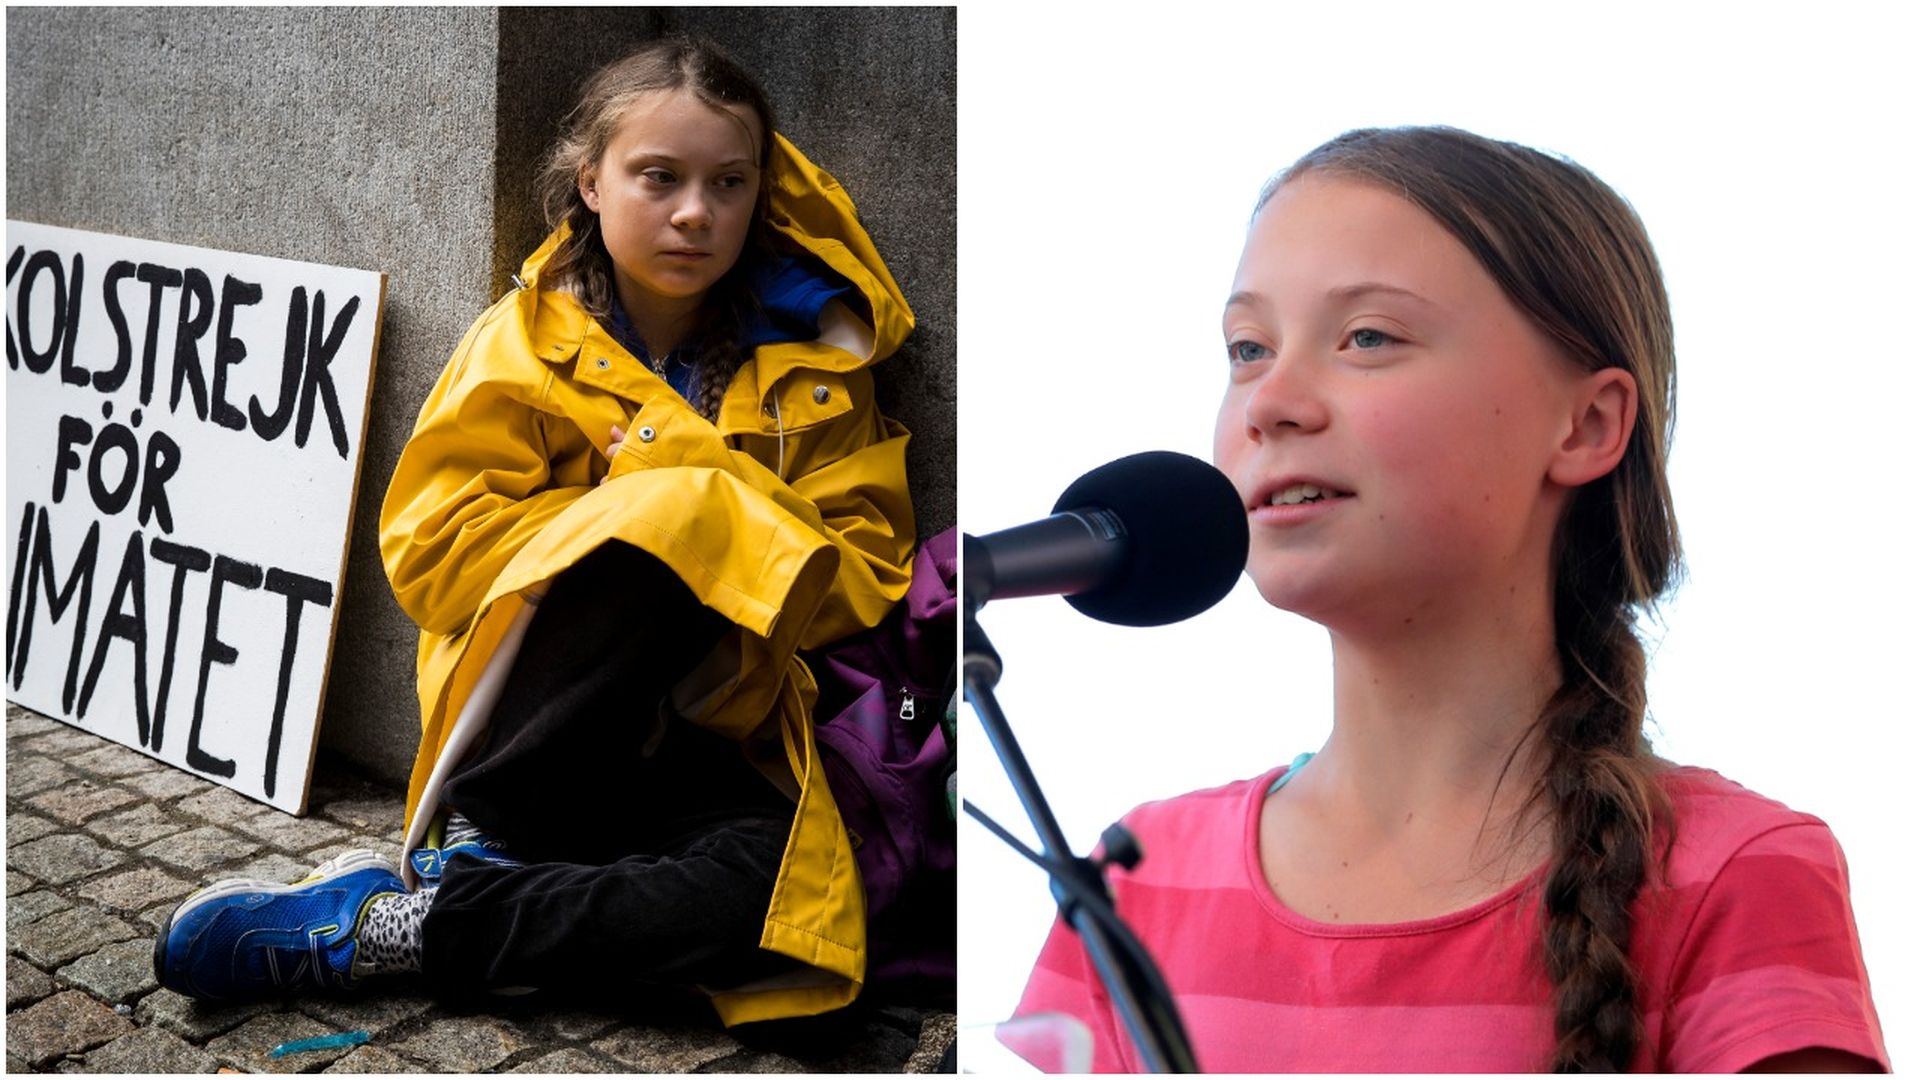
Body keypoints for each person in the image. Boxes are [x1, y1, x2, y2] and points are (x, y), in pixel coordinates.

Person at [1013, 127, 1889, 1072]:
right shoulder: (1136, 878)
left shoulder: (1736, 875)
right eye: (1248, 348)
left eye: (1368, 337)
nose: (1270, 403)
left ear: (1587, 424)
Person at [154, 35, 923, 1025]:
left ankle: (401, 930)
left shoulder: (821, 374)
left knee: (790, 918)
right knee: (672, 514)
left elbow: (868, 575)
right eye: (659, 176)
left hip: (715, 737)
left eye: (729, 183)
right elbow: (431, 556)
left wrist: (695, 478)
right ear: (591, 183)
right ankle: (495, 836)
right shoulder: (519, 343)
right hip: (533, 746)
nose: (696, 212)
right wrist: (645, 506)